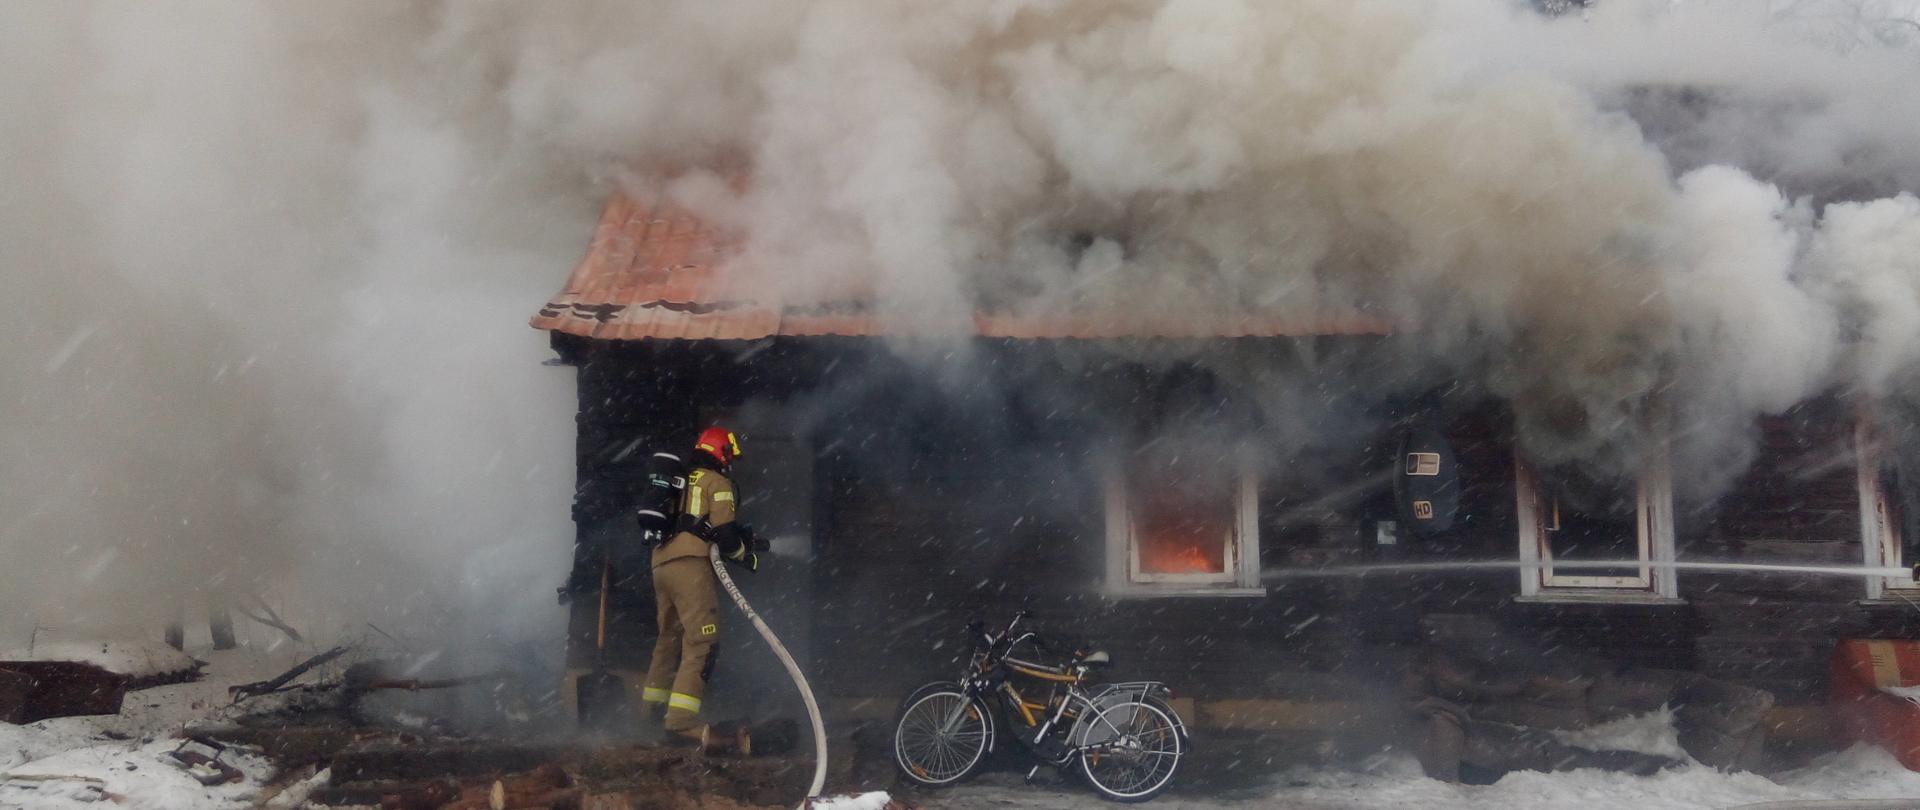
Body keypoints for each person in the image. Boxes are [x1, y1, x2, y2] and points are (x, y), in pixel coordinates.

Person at [641, 426, 763, 749]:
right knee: (703, 642)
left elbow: (698, 525)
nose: (730, 463)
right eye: (729, 456)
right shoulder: (717, 483)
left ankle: (650, 714)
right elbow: (724, 536)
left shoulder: (679, 480)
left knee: (669, 639)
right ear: (721, 452)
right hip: (689, 566)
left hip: (661, 563)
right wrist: (744, 555)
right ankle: (679, 725)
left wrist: (743, 544)